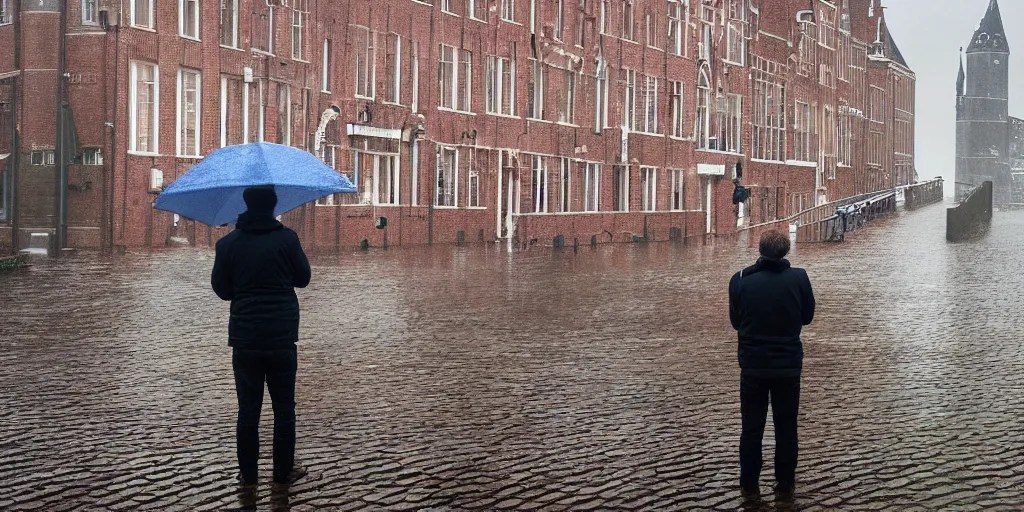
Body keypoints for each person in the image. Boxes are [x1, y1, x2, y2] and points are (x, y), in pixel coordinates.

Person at [211, 186, 311, 491]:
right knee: (284, 408)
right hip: (281, 339)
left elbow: (222, 290)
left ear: (245, 204)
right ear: (274, 205)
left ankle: (248, 475)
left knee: (248, 410)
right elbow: (303, 279)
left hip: (245, 340)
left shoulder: (227, 244)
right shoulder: (287, 239)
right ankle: (282, 472)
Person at [728, 230, 815, 501]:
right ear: (786, 250)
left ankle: (749, 483)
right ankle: (785, 483)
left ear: (760, 249)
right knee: (786, 427)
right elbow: (807, 317)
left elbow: (735, 322)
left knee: (751, 428)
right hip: (788, 366)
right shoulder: (799, 277)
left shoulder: (740, 279)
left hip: (753, 366)